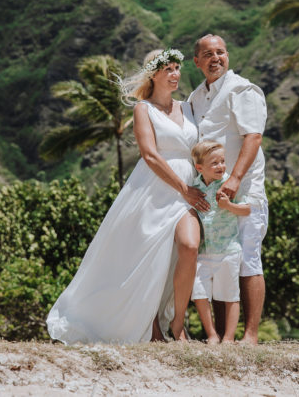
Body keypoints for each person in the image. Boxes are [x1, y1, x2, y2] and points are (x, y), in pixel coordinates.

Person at [47, 47, 209, 343]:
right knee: (151, 258)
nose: (175, 74)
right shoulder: (142, 109)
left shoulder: (188, 108)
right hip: (155, 190)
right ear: (154, 74)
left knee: (189, 246)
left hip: (187, 190)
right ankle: (151, 327)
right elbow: (149, 154)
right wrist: (184, 189)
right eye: (167, 69)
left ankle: (177, 322)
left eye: (177, 68)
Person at [187, 34, 268, 345]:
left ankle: (251, 335)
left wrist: (234, 179)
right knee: (218, 260)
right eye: (208, 54)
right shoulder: (196, 97)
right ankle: (222, 337)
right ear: (197, 62)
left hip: (245, 191)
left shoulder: (242, 90)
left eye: (220, 52)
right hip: (212, 196)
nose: (215, 58)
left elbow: (253, 138)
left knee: (248, 258)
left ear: (228, 55)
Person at [189, 140, 251, 344]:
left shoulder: (228, 184)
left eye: (222, 161)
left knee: (231, 295)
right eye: (214, 163)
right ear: (199, 168)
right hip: (204, 252)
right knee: (199, 291)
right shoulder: (194, 188)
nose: (221, 166)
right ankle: (211, 334)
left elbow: (247, 209)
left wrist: (228, 205)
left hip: (228, 250)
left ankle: (229, 337)